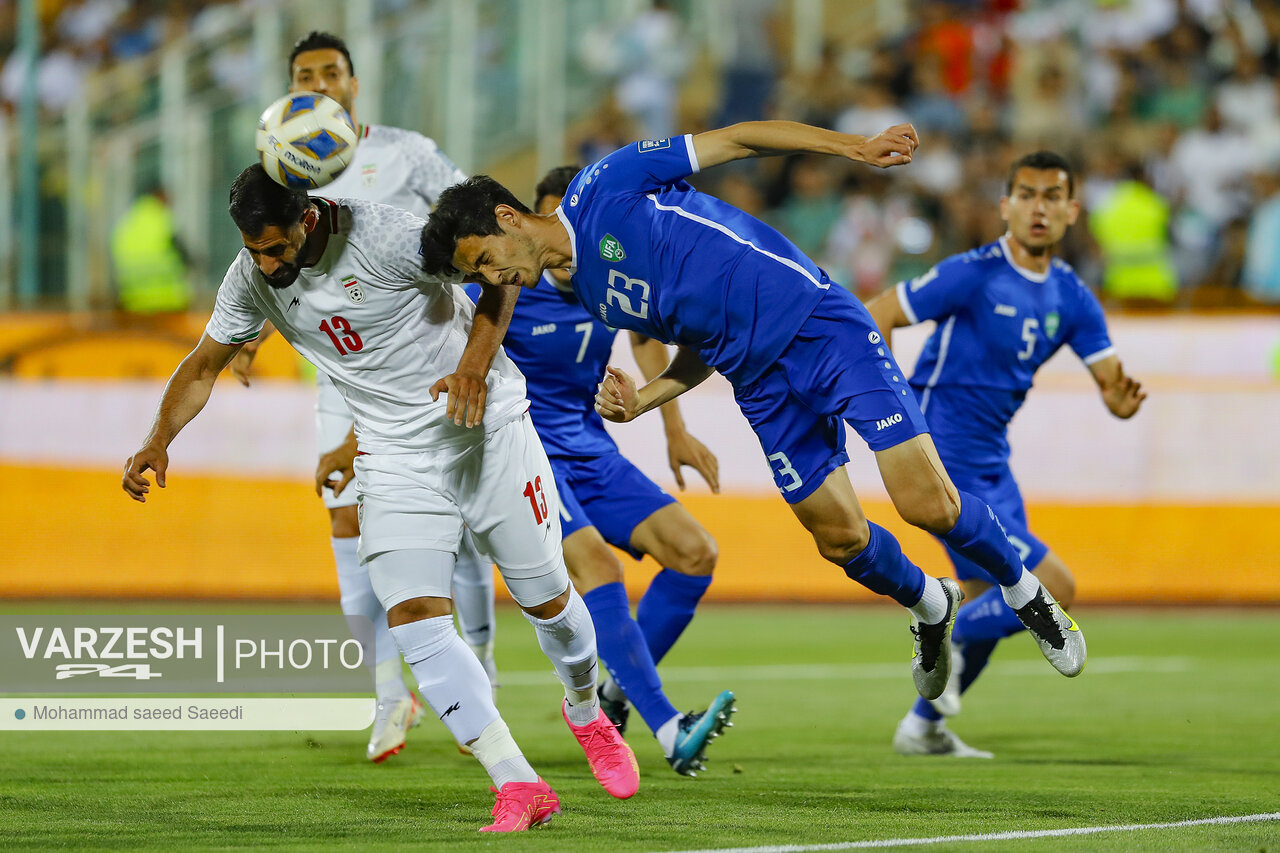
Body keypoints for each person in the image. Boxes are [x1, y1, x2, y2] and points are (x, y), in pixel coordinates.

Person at [419, 121, 1087, 705]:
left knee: (925, 503)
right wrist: (646, 401)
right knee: (841, 540)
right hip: (760, 383)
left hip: (823, 328)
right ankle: (929, 602)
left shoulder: (605, 185)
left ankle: (1029, 594)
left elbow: (739, 138)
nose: (490, 278)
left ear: (508, 220)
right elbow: (702, 339)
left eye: (483, 260)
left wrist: (851, 147)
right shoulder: (590, 293)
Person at [122, 166, 641, 830]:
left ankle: (583, 708)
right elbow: (202, 363)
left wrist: (474, 366)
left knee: (550, 604)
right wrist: (158, 437)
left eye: (276, 248)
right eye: (255, 250)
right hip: (395, 456)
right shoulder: (251, 276)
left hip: (489, 433)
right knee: (415, 620)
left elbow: (499, 271)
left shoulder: (390, 237)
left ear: (307, 221)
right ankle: (517, 781)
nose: (266, 263)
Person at [227, 31, 497, 764]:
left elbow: (471, 229)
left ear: (353, 83)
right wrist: (250, 334)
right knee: (344, 519)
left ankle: (483, 678)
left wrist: (479, 340)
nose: (319, 84)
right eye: (303, 77)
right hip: (341, 376)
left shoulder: (409, 154)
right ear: (289, 95)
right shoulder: (278, 178)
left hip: (422, 369)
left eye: (330, 73)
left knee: (463, 527)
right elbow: (271, 271)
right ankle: (386, 695)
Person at [866, 151, 1146, 758]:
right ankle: (950, 633)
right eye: (1025, 194)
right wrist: (893, 413)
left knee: (989, 587)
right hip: (944, 457)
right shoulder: (973, 272)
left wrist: (1121, 403)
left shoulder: (1073, 297)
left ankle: (923, 725)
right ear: (1005, 206)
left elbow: (1112, 383)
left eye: (1051, 196)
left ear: (1072, 211)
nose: (1037, 207)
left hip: (995, 462)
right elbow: (879, 314)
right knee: (1054, 586)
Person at [476, 166, 735, 775]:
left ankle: (617, 690)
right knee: (599, 566)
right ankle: (671, 729)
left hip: (592, 454)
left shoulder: (604, 282)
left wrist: (675, 428)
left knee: (695, 552)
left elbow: (648, 334)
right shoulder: (499, 289)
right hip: (527, 455)